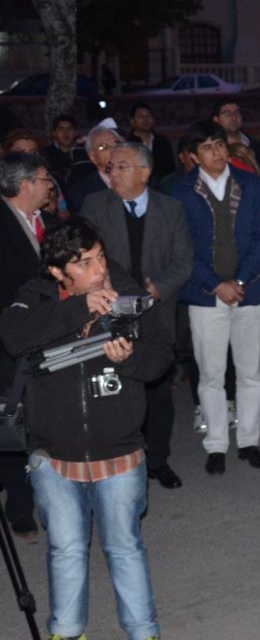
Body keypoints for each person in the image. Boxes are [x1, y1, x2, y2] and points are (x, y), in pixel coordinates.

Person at [0, 217, 173, 640]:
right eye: (85, 263)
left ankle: (143, 631)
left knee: (125, 547)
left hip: (120, 450)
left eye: (100, 257)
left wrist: (128, 360)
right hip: (54, 455)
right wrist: (82, 306)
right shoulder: (35, 297)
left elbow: (162, 355)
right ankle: (67, 630)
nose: (100, 270)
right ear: (59, 272)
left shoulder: (127, 292)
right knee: (66, 550)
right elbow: (14, 335)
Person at [80, 143, 193, 490]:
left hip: (157, 313)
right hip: (109, 312)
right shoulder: (95, 205)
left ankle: (158, 460)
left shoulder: (171, 208)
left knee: (158, 391)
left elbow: (184, 260)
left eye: (121, 167)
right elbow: (84, 256)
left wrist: (157, 289)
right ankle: (119, 462)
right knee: (113, 390)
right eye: (111, 167)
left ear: (144, 173)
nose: (112, 173)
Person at [172, 120, 260, 476]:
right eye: (207, 147)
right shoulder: (181, 190)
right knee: (211, 374)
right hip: (206, 294)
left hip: (249, 290)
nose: (216, 152)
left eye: (219, 144)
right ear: (192, 156)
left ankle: (249, 442)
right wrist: (217, 284)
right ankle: (216, 444)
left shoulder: (249, 183)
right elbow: (181, 248)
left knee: (250, 373)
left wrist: (241, 279)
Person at [0, 152, 60, 539]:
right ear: (25, 185)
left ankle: (42, 503)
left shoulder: (47, 223)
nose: (50, 184)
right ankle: (19, 508)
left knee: (41, 421)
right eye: (44, 179)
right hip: (8, 343)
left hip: (47, 339)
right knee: (11, 421)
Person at [66, 125, 121, 214]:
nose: (113, 150)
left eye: (117, 144)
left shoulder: (139, 180)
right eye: (103, 147)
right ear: (93, 157)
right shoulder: (81, 192)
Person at [211, 97, 260, 173]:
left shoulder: (257, 147)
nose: (234, 117)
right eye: (227, 114)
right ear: (216, 119)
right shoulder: (212, 148)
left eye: (237, 113)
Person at [125, 102, 176, 181]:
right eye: (140, 116)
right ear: (132, 121)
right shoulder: (127, 143)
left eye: (148, 116)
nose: (145, 119)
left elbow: (170, 168)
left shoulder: (162, 142)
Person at [41, 113, 83, 188]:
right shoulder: (45, 154)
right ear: (54, 133)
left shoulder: (83, 153)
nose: (65, 133)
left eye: (69, 129)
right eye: (61, 129)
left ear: (76, 132)